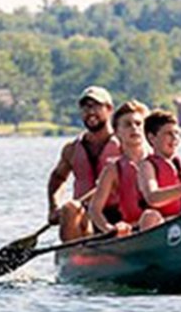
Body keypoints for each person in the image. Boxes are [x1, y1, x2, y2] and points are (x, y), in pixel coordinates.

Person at [46, 86, 123, 240]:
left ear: (109, 109)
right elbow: (58, 178)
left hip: (118, 215)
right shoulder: (72, 149)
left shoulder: (125, 145)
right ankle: (76, 256)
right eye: (85, 107)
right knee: (70, 208)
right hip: (84, 218)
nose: (90, 112)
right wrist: (54, 207)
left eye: (96, 106)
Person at [88, 100, 164, 236]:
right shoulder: (112, 169)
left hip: (164, 225)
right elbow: (94, 210)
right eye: (128, 124)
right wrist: (109, 229)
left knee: (151, 216)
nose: (134, 128)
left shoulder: (162, 160)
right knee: (148, 217)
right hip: (132, 231)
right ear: (117, 132)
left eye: (138, 124)